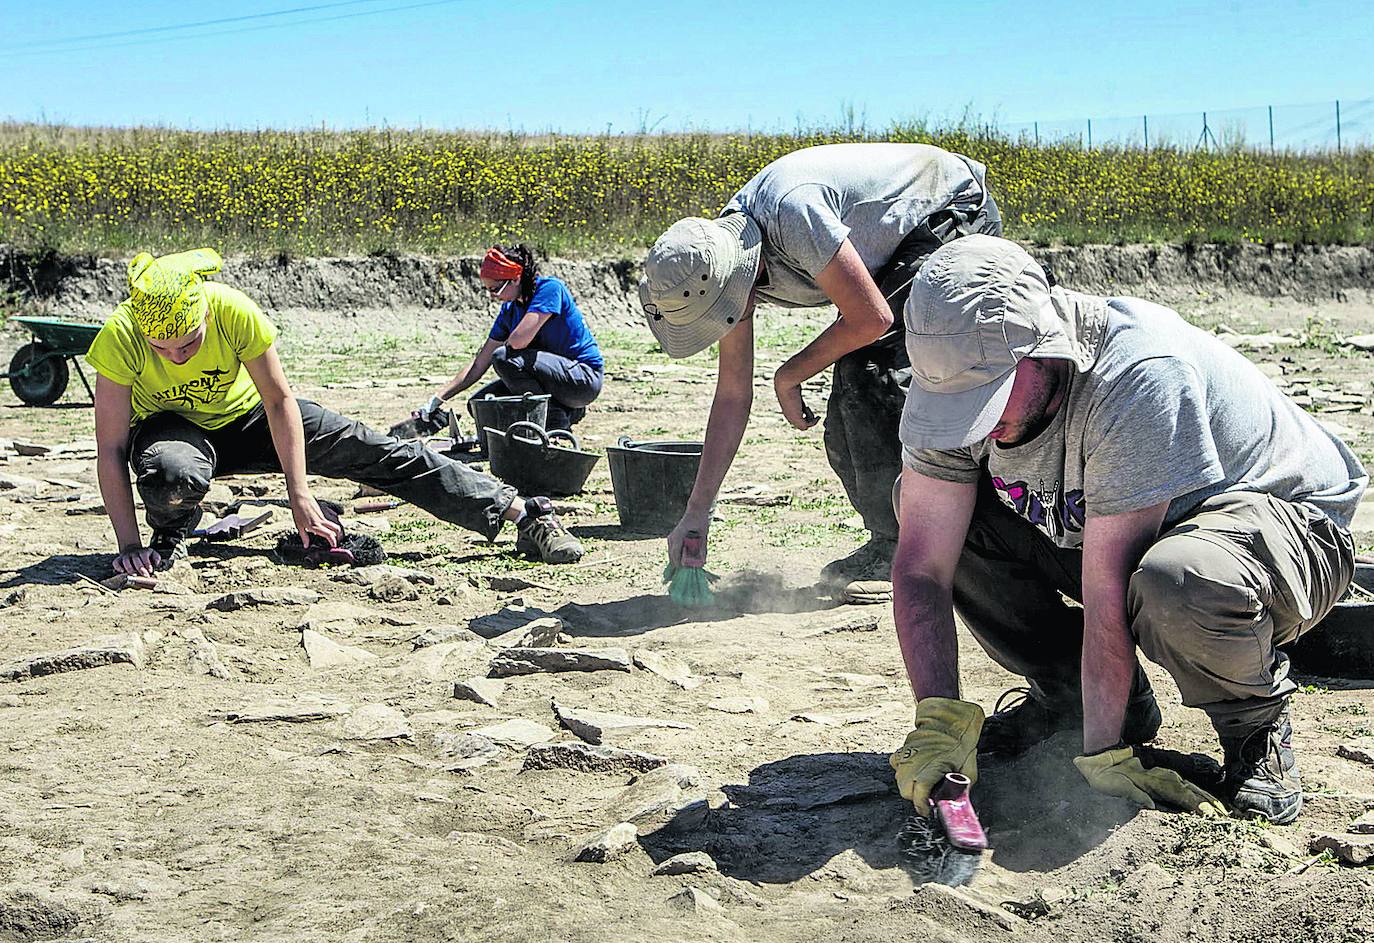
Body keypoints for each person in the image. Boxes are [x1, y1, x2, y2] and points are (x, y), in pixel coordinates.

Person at [887, 235, 1366, 825]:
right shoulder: (952, 369)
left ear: (1042, 349)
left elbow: (1108, 592)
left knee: (1178, 581)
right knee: (933, 518)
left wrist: (1103, 756)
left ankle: (1254, 729)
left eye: (987, 400)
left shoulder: (1136, 378)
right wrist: (937, 719)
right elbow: (921, 567)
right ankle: (1071, 698)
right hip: (1132, 522)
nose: (975, 426)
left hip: (1279, 524)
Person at [638, 142, 1001, 601]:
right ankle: (887, 537)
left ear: (736, 276)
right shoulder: (717, 273)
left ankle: (917, 545)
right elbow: (732, 395)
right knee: (847, 403)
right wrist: (697, 511)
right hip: (884, 246)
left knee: (873, 377)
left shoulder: (792, 215)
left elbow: (871, 319)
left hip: (946, 209)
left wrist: (787, 376)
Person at [89, 248, 585, 578]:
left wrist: (299, 495)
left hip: (249, 417)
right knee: (172, 472)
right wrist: (128, 544)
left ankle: (524, 516)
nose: (178, 356)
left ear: (204, 315)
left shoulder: (232, 310)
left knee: (378, 450)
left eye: (189, 343)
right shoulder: (120, 336)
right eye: (164, 349)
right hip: (175, 431)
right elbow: (111, 449)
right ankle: (171, 527)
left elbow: (279, 402)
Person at [414, 245, 604, 434]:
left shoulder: (549, 289)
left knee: (505, 358)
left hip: (583, 379)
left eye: (495, 289)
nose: (492, 296)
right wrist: (438, 398)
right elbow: (478, 365)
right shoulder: (510, 310)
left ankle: (555, 422)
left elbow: (517, 343)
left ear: (515, 279)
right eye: (488, 290)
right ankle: (566, 411)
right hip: (555, 380)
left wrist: (500, 354)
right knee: (479, 405)